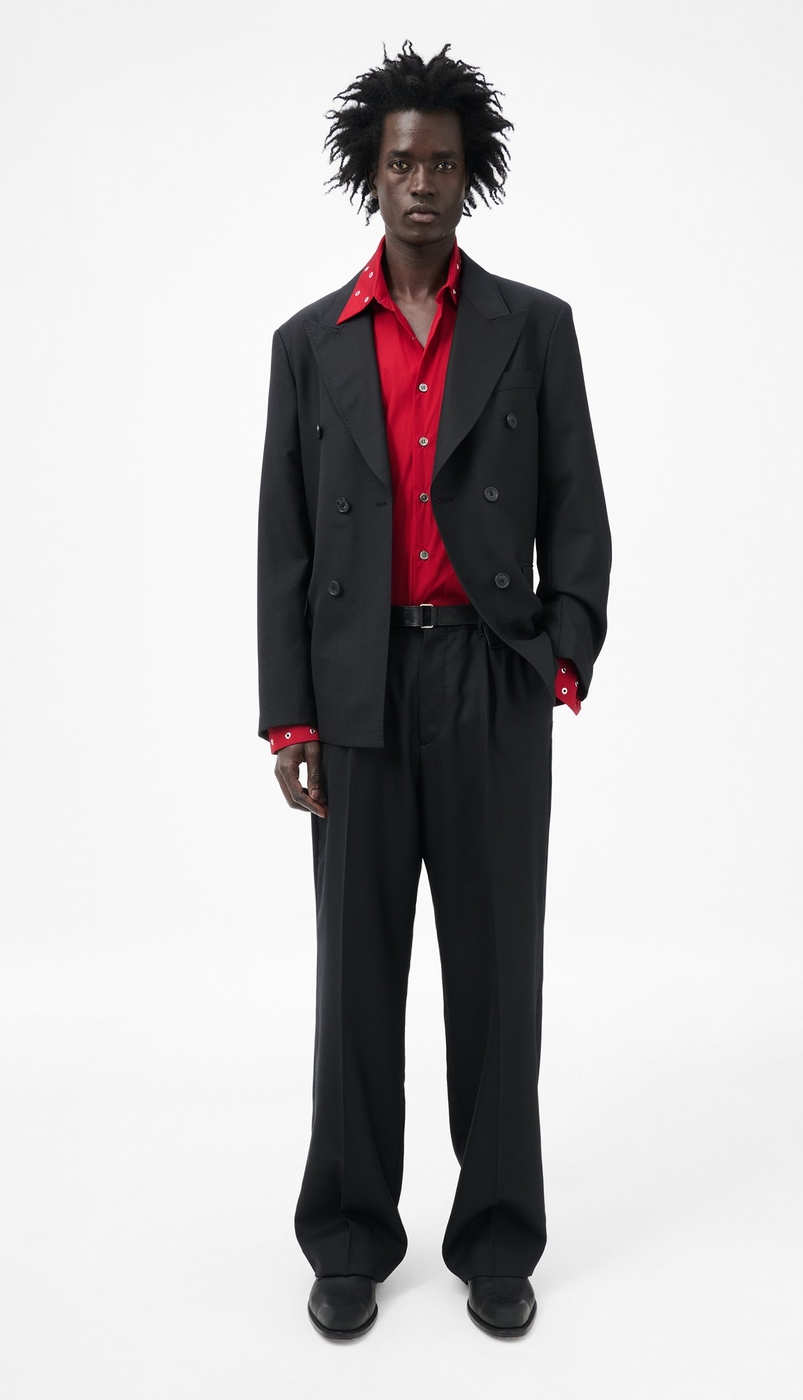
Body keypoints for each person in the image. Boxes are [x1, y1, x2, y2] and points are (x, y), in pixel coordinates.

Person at [256, 41, 611, 1340]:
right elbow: (285, 541)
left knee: (496, 976)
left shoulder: (533, 328)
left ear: (472, 177)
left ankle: (498, 1237)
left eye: (443, 164)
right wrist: (291, 714)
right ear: (372, 171)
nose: (421, 182)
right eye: (402, 162)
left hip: (488, 681)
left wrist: (561, 650)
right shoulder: (309, 344)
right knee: (355, 981)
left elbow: (578, 506)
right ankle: (350, 1236)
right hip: (355, 694)